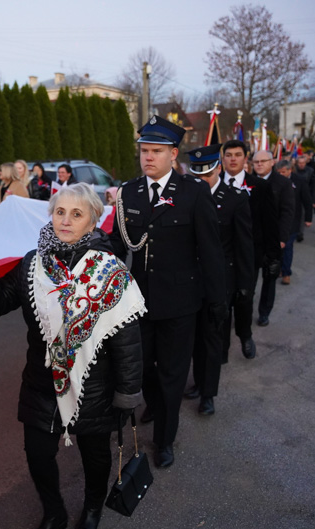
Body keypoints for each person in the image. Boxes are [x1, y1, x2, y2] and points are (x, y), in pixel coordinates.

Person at [0, 183, 144, 529]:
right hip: (40, 383)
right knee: (37, 454)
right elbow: (3, 302)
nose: (65, 220)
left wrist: (128, 391)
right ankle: (53, 513)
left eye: (76, 214)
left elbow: (127, 339)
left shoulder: (109, 270)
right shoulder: (32, 262)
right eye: (59, 211)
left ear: (93, 220)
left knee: (95, 456)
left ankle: (93, 507)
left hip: (94, 387)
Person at [110, 115, 226, 469]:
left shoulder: (193, 192)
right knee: (143, 368)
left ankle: (165, 439)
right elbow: (117, 245)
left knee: (173, 372)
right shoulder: (128, 192)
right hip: (139, 301)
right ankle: (156, 403)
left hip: (180, 302)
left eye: (156, 151)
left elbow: (210, 249)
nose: (148, 157)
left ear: (173, 154)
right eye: (144, 150)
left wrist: (217, 300)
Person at [182, 144, 254, 416]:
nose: (202, 181)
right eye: (198, 177)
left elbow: (244, 245)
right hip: (190, 280)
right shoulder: (186, 197)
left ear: (218, 169)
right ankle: (198, 383)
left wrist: (245, 285)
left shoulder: (235, 198)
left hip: (220, 281)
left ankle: (208, 393)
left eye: (208, 176)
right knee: (192, 339)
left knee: (212, 340)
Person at [221, 140, 280, 358]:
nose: (233, 159)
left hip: (250, 256)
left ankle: (245, 335)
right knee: (222, 301)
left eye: (238, 154)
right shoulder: (213, 184)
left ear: (246, 158)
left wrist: (274, 257)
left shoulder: (260, 186)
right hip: (222, 255)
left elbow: (270, 224)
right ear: (223, 158)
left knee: (244, 298)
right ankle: (222, 348)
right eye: (229, 155)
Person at [252, 150, 294, 327]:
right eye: (256, 162)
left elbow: (287, 212)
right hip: (251, 239)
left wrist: (282, 238)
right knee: (248, 279)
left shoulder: (283, 183)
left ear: (272, 162)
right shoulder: (246, 182)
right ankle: (243, 311)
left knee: (269, 278)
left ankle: (264, 313)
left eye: (263, 161)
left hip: (272, 240)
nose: (259, 164)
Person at [277, 159, 312, 285]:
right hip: (277, 220)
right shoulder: (274, 181)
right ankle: (280, 268)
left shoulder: (299, 181)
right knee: (278, 247)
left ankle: (286, 273)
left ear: (290, 170)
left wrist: (308, 218)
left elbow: (307, 201)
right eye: (279, 172)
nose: (281, 174)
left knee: (287, 246)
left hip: (292, 220)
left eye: (283, 172)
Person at [294, 155, 315, 242]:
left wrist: (311, 197)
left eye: (303, 163)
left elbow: (313, 184)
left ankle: (300, 233)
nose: (301, 165)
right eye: (299, 163)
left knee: (302, 215)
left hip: (305, 195)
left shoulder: (310, 171)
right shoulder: (294, 170)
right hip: (295, 195)